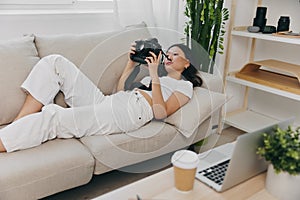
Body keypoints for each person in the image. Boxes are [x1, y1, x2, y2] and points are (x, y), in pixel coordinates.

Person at [0, 42, 202, 153]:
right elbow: (120, 92)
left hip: (130, 114)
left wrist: (155, 75)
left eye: (175, 54)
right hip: (111, 102)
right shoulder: (152, 77)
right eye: (167, 53)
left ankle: (4, 139)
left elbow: (161, 112)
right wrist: (131, 65)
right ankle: (17, 125)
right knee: (56, 63)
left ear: (186, 63)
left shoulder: (184, 86)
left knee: (53, 118)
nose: (168, 56)